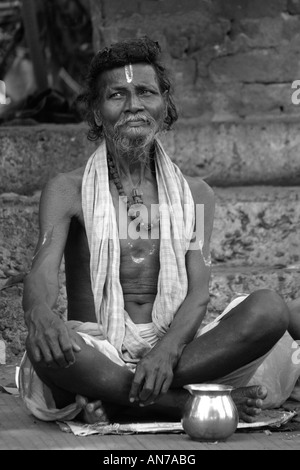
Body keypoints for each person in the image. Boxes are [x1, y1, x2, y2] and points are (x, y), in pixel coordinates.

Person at [18, 36, 300, 425]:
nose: (133, 105)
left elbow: (199, 293)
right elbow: (43, 269)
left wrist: (166, 351)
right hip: (99, 347)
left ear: (164, 106)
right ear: (98, 113)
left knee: (270, 309)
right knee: (47, 352)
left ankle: (118, 399)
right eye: (117, 95)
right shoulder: (68, 189)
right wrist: (38, 313)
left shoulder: (197, 195)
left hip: (179, 349)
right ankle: (182, 403)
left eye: (145, 92)